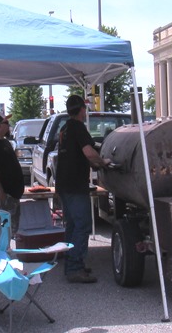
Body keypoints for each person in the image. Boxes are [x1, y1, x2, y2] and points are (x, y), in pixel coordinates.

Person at [55, 95, 111, 284]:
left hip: (64, 184)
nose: (85, 111)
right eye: (84, 108)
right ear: (81, 110)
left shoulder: (64, 128)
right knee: (82, 225)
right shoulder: (78, 127)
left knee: (72, 226)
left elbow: (75, 153)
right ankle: (75, 268)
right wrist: (102, 162)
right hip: (75, 185)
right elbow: (88, 152)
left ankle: (71, 264)